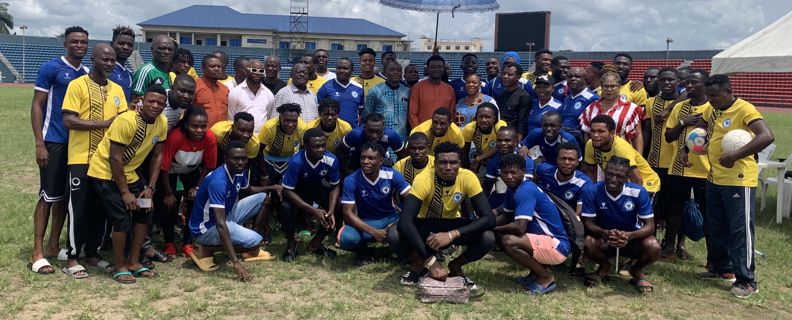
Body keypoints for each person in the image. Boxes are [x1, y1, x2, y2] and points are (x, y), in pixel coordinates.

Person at [701, 74, 774, 298]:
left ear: (728, 91)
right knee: (716, 227)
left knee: (740, 230)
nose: (710, 100)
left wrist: (735, 156)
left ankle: (747, 280)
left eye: (714, 96)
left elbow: (766, 136)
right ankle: (722, 268)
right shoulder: (712, 109)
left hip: (738, 180)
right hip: (715, 177)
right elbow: (705, 126)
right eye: (708, 96)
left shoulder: (744, 109)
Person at [87, 85, 168, 284]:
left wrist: (150, 188)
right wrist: (125, 193)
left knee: (145, 211)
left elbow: (158, 156)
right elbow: (115, 158)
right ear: (142, 101)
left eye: (160, 103)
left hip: (129, 174)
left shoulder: (162, 122)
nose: (155, 106)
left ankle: (134, 261)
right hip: (104, 172)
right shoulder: (127, 120)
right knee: (122, 219)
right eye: (151, 101)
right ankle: (119, 265)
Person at [60, 43, 128, 278]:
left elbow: (123, 124)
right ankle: (71, 257)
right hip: (80, 158)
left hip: (106, 162)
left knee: (102, 208)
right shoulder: (77, 85)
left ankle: (93, 253)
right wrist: (104, 124)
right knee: (78, 209)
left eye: (112, 60)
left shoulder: (118, 89)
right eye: (104, 59)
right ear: (94, 59)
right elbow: (69, 120)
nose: (109, 64)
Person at [29, 26, 90, 274]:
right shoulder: (51, 68)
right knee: (48, 195)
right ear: (65, 43)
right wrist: (39, 143)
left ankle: (54, 245)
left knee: (65, 198)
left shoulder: (86, 73)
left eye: (83, 42)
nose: (79, 45)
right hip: (53, 140)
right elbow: (37, 105)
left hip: (77, 145)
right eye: (74, 41)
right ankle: (37, 252)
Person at [397, 142, 495, 286]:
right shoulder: (424, 179)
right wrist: (432, 262)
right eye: (443, 162)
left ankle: (455, 266)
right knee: (395, 233)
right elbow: (405, 221)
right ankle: (419, 264)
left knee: (488, 237)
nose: (448, 167)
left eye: (453, 162)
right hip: (426, 224)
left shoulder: (467, 177)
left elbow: (489, 218)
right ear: (435, 163)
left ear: (459, 163)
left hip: (452, 223)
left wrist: (452, 234)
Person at [188, 140, 280, 282]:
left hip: (227, 215)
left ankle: (247, 244)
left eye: (244, 158)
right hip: (206, 228)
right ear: (226, 159)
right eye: (236, 158)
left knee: (263, 198)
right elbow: (220, 224)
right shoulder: (218, 180)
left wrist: (273, 187)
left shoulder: (238, 171)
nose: (241, 162)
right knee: (255, 242)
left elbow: (248, 190)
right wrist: (236, 264)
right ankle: (206, 249)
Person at [581, 156, 661, 293]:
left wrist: (629, 236)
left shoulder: (638, 192)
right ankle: (604, 266)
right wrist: (605, 233)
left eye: (619, 176)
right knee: (588, 243)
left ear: (627, 177)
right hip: (605, 239)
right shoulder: (592, 191)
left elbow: (650, 226)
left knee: (654, 246)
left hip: (632, 240)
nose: (613, 179)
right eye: (610, 174)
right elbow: (588, 222)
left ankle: (636, 270)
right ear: (604, 172)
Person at [495, 154, 571, 294]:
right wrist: (483, 224)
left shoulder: (525, 190)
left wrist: (493, 229)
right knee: (503, 236)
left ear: (523, 171)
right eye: (505, 173)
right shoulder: (513, 189)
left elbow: (519, 227)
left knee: (508, 240)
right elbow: (505, 216)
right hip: (545, 241)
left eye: (513, 172)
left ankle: (545, 277)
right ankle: (535, 274)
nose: (509, 176)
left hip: (558, 246)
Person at [663, 69, 711, 261]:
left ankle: (711, 255)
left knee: (708, 213)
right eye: (688, 83)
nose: (689, 86)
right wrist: (684, 122)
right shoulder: (679, 108)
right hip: (678, 167)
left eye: (694, 83)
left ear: (705, 85)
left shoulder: (712, 107)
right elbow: (668, 136)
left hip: (705, 170)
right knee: (674, 209)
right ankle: (669, 247)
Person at [157, 107, 217, 257]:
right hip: (171, 171)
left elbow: (209, 166)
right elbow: (163, 167)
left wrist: (197, 187)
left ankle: (187, 242)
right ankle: (169, 242)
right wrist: (168, 193)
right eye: (194, 126)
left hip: (192, 171)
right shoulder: (176, 137)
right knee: (170, 205)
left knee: (194, 203)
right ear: (186, 125)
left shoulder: (209, 137)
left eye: (203, 126)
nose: (199, 130)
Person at [340, 142, 411, 265]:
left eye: (371, 158)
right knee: (346, 239)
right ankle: (365, 253)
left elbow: (412, 201)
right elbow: (347, 213)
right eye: (363, 158)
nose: (365, 161)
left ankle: (403, 255)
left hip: (390, 219)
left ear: (381, 161)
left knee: (395, 234)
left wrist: (397, 222)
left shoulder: (392, 174)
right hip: (365, 221)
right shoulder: (351, 179)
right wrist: (374, 232)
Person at [278, 128, 342, 261]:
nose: (321, 149)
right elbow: (287, 190)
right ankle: (291, 243)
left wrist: (330, 210)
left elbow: (335, 185)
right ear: (305, 146)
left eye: (323, 145)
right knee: (285, 207)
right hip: (296, 191)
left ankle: (316, 243)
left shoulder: (331, 160)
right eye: (316, 146)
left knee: (338, 206)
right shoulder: (297, 161)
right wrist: (314, 211)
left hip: (317, 188)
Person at [534, 142, 592, 274]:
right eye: (563, 158)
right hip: (545, 216)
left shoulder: (584, 183)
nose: (567, 162)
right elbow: (532, 184)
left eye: (571, 159)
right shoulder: (544, 170)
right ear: (556, 160)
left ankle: (579, 257)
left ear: (577, 162)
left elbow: (579, 213)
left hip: (569, 219)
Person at [642, 67, 679, 239]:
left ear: (678, 82)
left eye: (671, 80)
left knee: (674, 205)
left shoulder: (683, 103)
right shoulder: (650, 103)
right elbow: (647, 132)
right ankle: (651, 238)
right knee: (653, 205)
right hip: (655, 162)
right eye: (663, 79)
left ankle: (673, 243)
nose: (666, 83)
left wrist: (669, 109)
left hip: (676, 163)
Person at [582, 115, 660, 194]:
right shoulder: (590, 145)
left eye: (601, 131)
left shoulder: (621, 149)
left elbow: (637, 179)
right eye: (592, 131)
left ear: (612, 133)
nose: (595, 135)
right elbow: (590, 172)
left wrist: (633, 202)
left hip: (647, 184)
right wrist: (593, 193)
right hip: (623, 184)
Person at [580, 70, 644, 153]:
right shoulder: (590, 108)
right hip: (598, 156)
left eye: (613, 86)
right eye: (606, 86)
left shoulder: (632, 108)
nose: (609, 89)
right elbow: (587, 134)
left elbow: (637, 135)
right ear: (601, 87)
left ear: (619, 87)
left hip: (623, 155)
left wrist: (638, 157)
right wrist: (590, 154)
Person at [482, 126, 534, 208]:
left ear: (516, 142)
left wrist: (498, 211)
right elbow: (487, 188)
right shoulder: (494, 161)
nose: (503, 143)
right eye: (499, 140)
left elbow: (527, 190)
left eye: (507, 140)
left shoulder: (525, 159)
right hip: (505, 196)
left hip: (523, 197)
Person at [258, 103, 307, 186]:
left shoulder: (302, 128)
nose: (291, 124)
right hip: (267, 159)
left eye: (294, 121)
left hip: (289, 160)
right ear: (280, 118)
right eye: (287, 120)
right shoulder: (269, 127)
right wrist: (264, 175)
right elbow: (259, 151)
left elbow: (303, 152)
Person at [337, 112, 405, 172]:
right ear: (364, 127)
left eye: (378, 131)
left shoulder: (391, 136)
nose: (374, 135)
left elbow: (403, 154)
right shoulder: (356, 134)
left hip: (381, 163)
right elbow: (340, 151)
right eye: (370, 131)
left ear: (383, 128)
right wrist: (346, 171)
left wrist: (396, 170)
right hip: (357, 163)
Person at [363, 61, 410, 140]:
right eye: (392, 70)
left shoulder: (407, 91)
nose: (396, 72)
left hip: (402, 137)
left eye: (398, 70)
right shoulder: (375, 91)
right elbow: (367, 116)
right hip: (379, 137)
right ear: (386, 72)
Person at [227, 59, 275, 132]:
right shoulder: (235, 93)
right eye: (254, 70)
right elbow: (230, 118)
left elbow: (268, 117)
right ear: (246, 71)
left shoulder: (269, 94)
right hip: (240, 137)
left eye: (261, 71)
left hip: (260, 138)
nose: (257, 73)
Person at [408, 55, 456, 128]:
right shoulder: (417, 88)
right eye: (433, 67)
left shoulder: (449, 89)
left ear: (443, 69)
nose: (437, 69)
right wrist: (418, 131)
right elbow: (412, 113)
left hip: (443, 131)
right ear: (427, 69)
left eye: (440, 67)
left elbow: (452, 113)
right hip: (422, 132)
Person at [316, 57, 364, 128]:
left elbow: (361, 111)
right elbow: (318, 110)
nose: (341, 70)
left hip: (352, 130)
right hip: (332, 131)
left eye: (345, 68)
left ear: (352, 70)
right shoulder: (326, 87)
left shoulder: (359, 88)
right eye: (339, 68)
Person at [461, 103, 507, 172]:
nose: (484, 120)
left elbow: (502, 145)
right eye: (481, 116)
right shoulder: (470, 129)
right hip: (484, 163)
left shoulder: (499, 126)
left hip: (502, 161)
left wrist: (479, 159)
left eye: (487, 117)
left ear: (494, 118)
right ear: (476, 117)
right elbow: (465, 152)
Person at [560, 67, 599, 148]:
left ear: (585, 79)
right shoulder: (567, 98)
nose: (573, 79)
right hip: (564, 141)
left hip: (580, 143)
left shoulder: (592, 98)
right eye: (570, 77)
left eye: (577, 76)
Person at [495, 61, 532, 141]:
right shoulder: (501, 95)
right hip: (500, 137)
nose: (505, 76)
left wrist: (517, 143)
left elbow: (522, 123)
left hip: (512, 139)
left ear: (518, 77)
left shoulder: (524, 96)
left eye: (509, 74)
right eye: (504, 73)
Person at [132, 35, 173, 101]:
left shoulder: (170, 74)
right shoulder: (145, 71)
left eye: (170, 49)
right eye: (162, 48)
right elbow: (136, 100)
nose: (166, 52)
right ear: (152, 49)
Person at [194, 54, 230, 127]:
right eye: (212, 66)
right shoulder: (195, 86)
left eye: (219, 66)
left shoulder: (225, 89)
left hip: (221, 134)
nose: (217, 69)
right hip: (200, 133)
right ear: (203, 68)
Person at [110, 26, 135, 102]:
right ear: (112, 44)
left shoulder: (130, 74)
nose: (125, 47)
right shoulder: (104, 72)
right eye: (121, 43)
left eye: (130, 45)